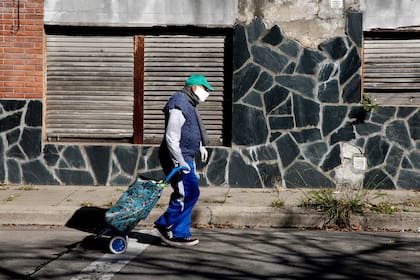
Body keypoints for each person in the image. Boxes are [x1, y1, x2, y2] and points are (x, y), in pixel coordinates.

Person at [154, 74, 213, 247]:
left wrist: (200, 146)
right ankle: (167, 225)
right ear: (194, 88)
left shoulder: (189, 104)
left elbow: (191, 129)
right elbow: (172, 137)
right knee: (186, 193)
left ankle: (178, 230)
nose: (207, 93)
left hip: (187, 155)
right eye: (205, 89)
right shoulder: (178, 104)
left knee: (190, 193)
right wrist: (179, 162)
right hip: (176, 157)